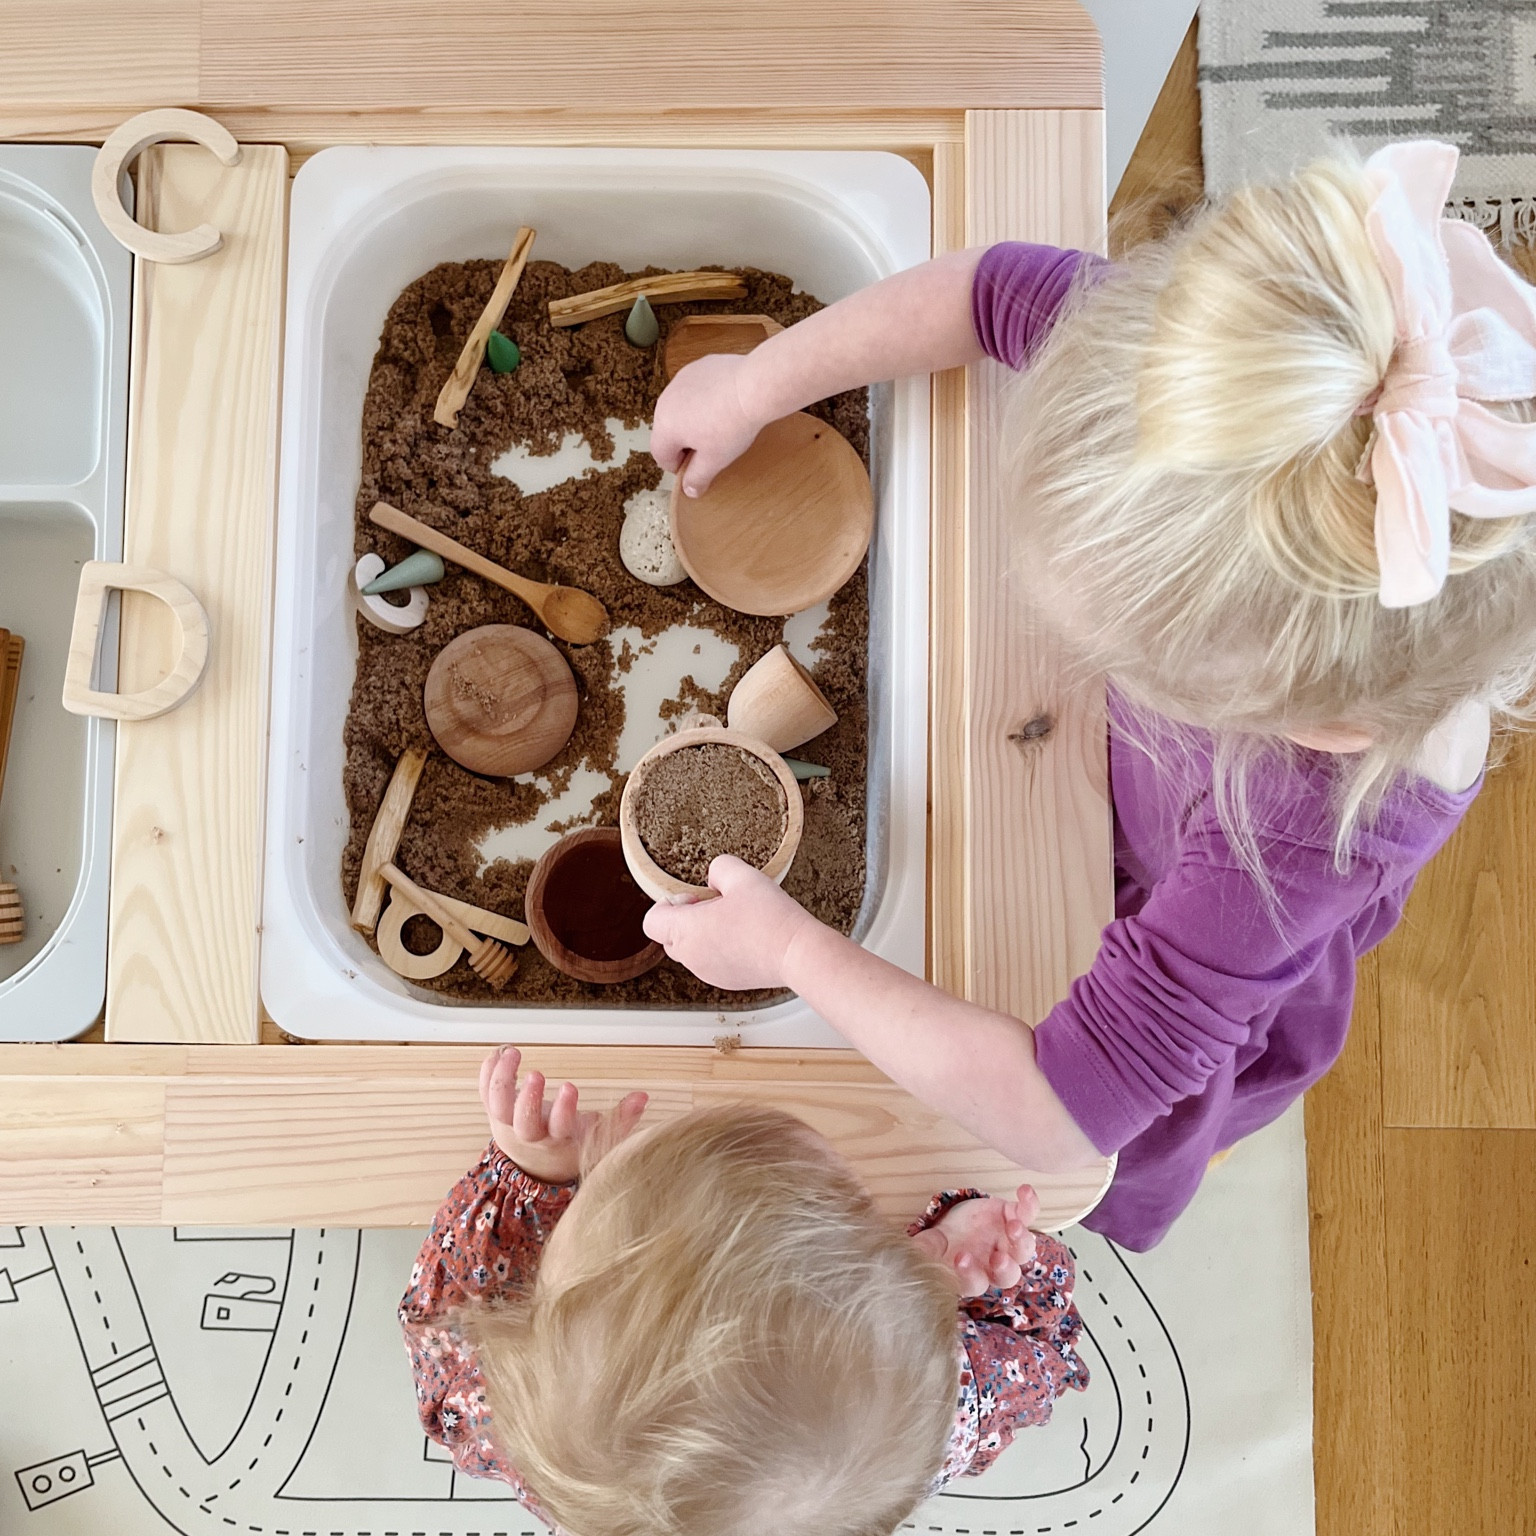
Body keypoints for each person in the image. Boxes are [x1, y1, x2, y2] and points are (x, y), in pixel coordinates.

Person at [644, 140, 1536, 1249]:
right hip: (1121, 807)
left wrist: (787, 954)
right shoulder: (1201, 380)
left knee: (1116, 1160)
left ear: (1316, 722)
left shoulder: (1297, 835)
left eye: (1137, 656)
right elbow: (990, 289)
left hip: (1184, 903)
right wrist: (757, 381)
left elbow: (1067, 1113)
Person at [400, 1047, 1089, 1536]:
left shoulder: (510, 1425)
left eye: (597, 1183)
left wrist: (528, 1178)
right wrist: (972, 1262)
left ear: (530, 1332)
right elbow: (1049, 1340)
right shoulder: (948, 1407)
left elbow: (439, 1323)